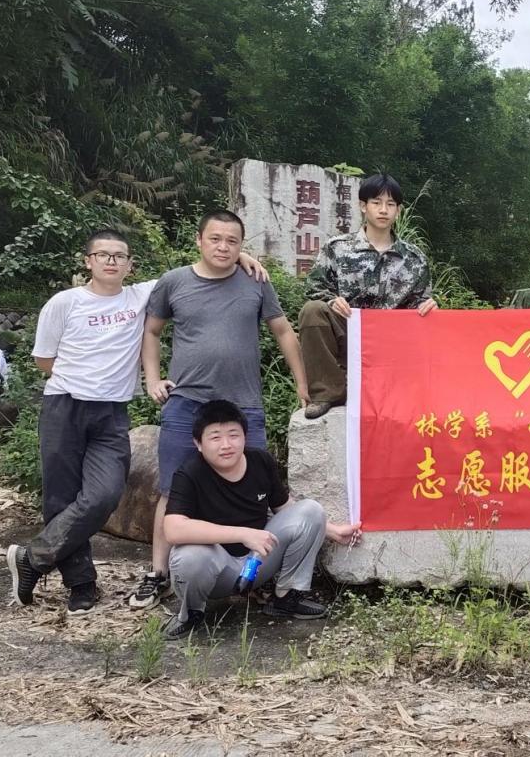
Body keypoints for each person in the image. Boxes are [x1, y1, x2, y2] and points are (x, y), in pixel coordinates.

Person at [6, 230, 267, 615]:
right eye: (103, 255)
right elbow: (44, 360)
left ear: (130, 265)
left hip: (112, 412)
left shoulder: (141, 294)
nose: (111, 261)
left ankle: (33, 558)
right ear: (88, 261)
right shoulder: (64, 302)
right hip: (64, 405)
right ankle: (81, 584)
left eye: (120, 256)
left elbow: (202, 268)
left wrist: (242, 257)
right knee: (61, 498)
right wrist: (80, 379)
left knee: (105, 494)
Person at [128, 210, 309, 610]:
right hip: (187, 403)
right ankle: (158, 574)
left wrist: (302, 382)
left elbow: (282, 330)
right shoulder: (174, 282)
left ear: (242, 246)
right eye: (215, 239)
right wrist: (152, 379)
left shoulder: (255, 281)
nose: (223, 247)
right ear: (198, 240)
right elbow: (152, 331)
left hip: (244, 404)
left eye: (232, 241)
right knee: (171, 489)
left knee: (254, 487)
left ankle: (255, 575)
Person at [163, 399, 361, 639]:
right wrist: (243, 534)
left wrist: (332, 531)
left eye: (233, 435)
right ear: (198, 443)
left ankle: (286, 597)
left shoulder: (260, 461)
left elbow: (286, 510)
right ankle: (192, 613)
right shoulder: (189, 473)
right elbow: (173, 529)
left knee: (311, 509)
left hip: (257, 562)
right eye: (215, 437)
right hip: (215, 571)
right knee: (189, 556)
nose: (226, 445)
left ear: (245, 437)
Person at [298, 173, 436, 420]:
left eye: (390, 204)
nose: (383, 210)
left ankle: (412, 388)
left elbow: (420, 301)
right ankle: (328, 393)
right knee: (313, 310)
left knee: (429, 319)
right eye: (376, 202)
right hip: (349, 331)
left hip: (392, 342)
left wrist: (429, 307)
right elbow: (314, 288)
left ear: (398, 211)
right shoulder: (338, 248)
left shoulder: (414, 258)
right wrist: (332, 300)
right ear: (363, 206)